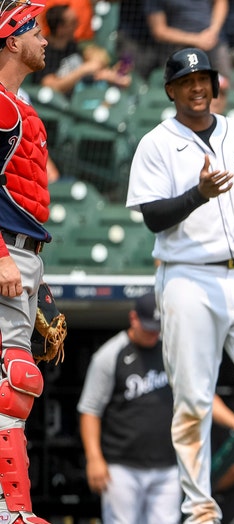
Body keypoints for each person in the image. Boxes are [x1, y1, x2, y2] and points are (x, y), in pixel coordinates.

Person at [125, 48, 234, 524]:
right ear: (171, 90)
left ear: (216, 86)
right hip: (188, 277)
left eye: (205, 78)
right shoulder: (156, 143)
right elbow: (153, 218)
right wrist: (197, 194)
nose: (198, 87)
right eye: (187, 80)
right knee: (194, 399)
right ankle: (200, 508)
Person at [0, 2, 59, 522]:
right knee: (12, 379)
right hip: (5, 249)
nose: (44, 38)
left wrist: (38, 279)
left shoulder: (20, 107)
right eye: (34, 30)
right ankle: (10, 509)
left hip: (24, 252)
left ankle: (13, 507)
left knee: (16, 381)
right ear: (11, 40)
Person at [77, 292, 181, 524]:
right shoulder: (110, 354)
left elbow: (196, 396)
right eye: (148, 327)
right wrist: (94, 459)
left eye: (157, 327)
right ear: (133, 318)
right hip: (122, 466)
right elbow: (90, 410)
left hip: (167, 465)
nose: (153, 333)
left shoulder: (170, 350)